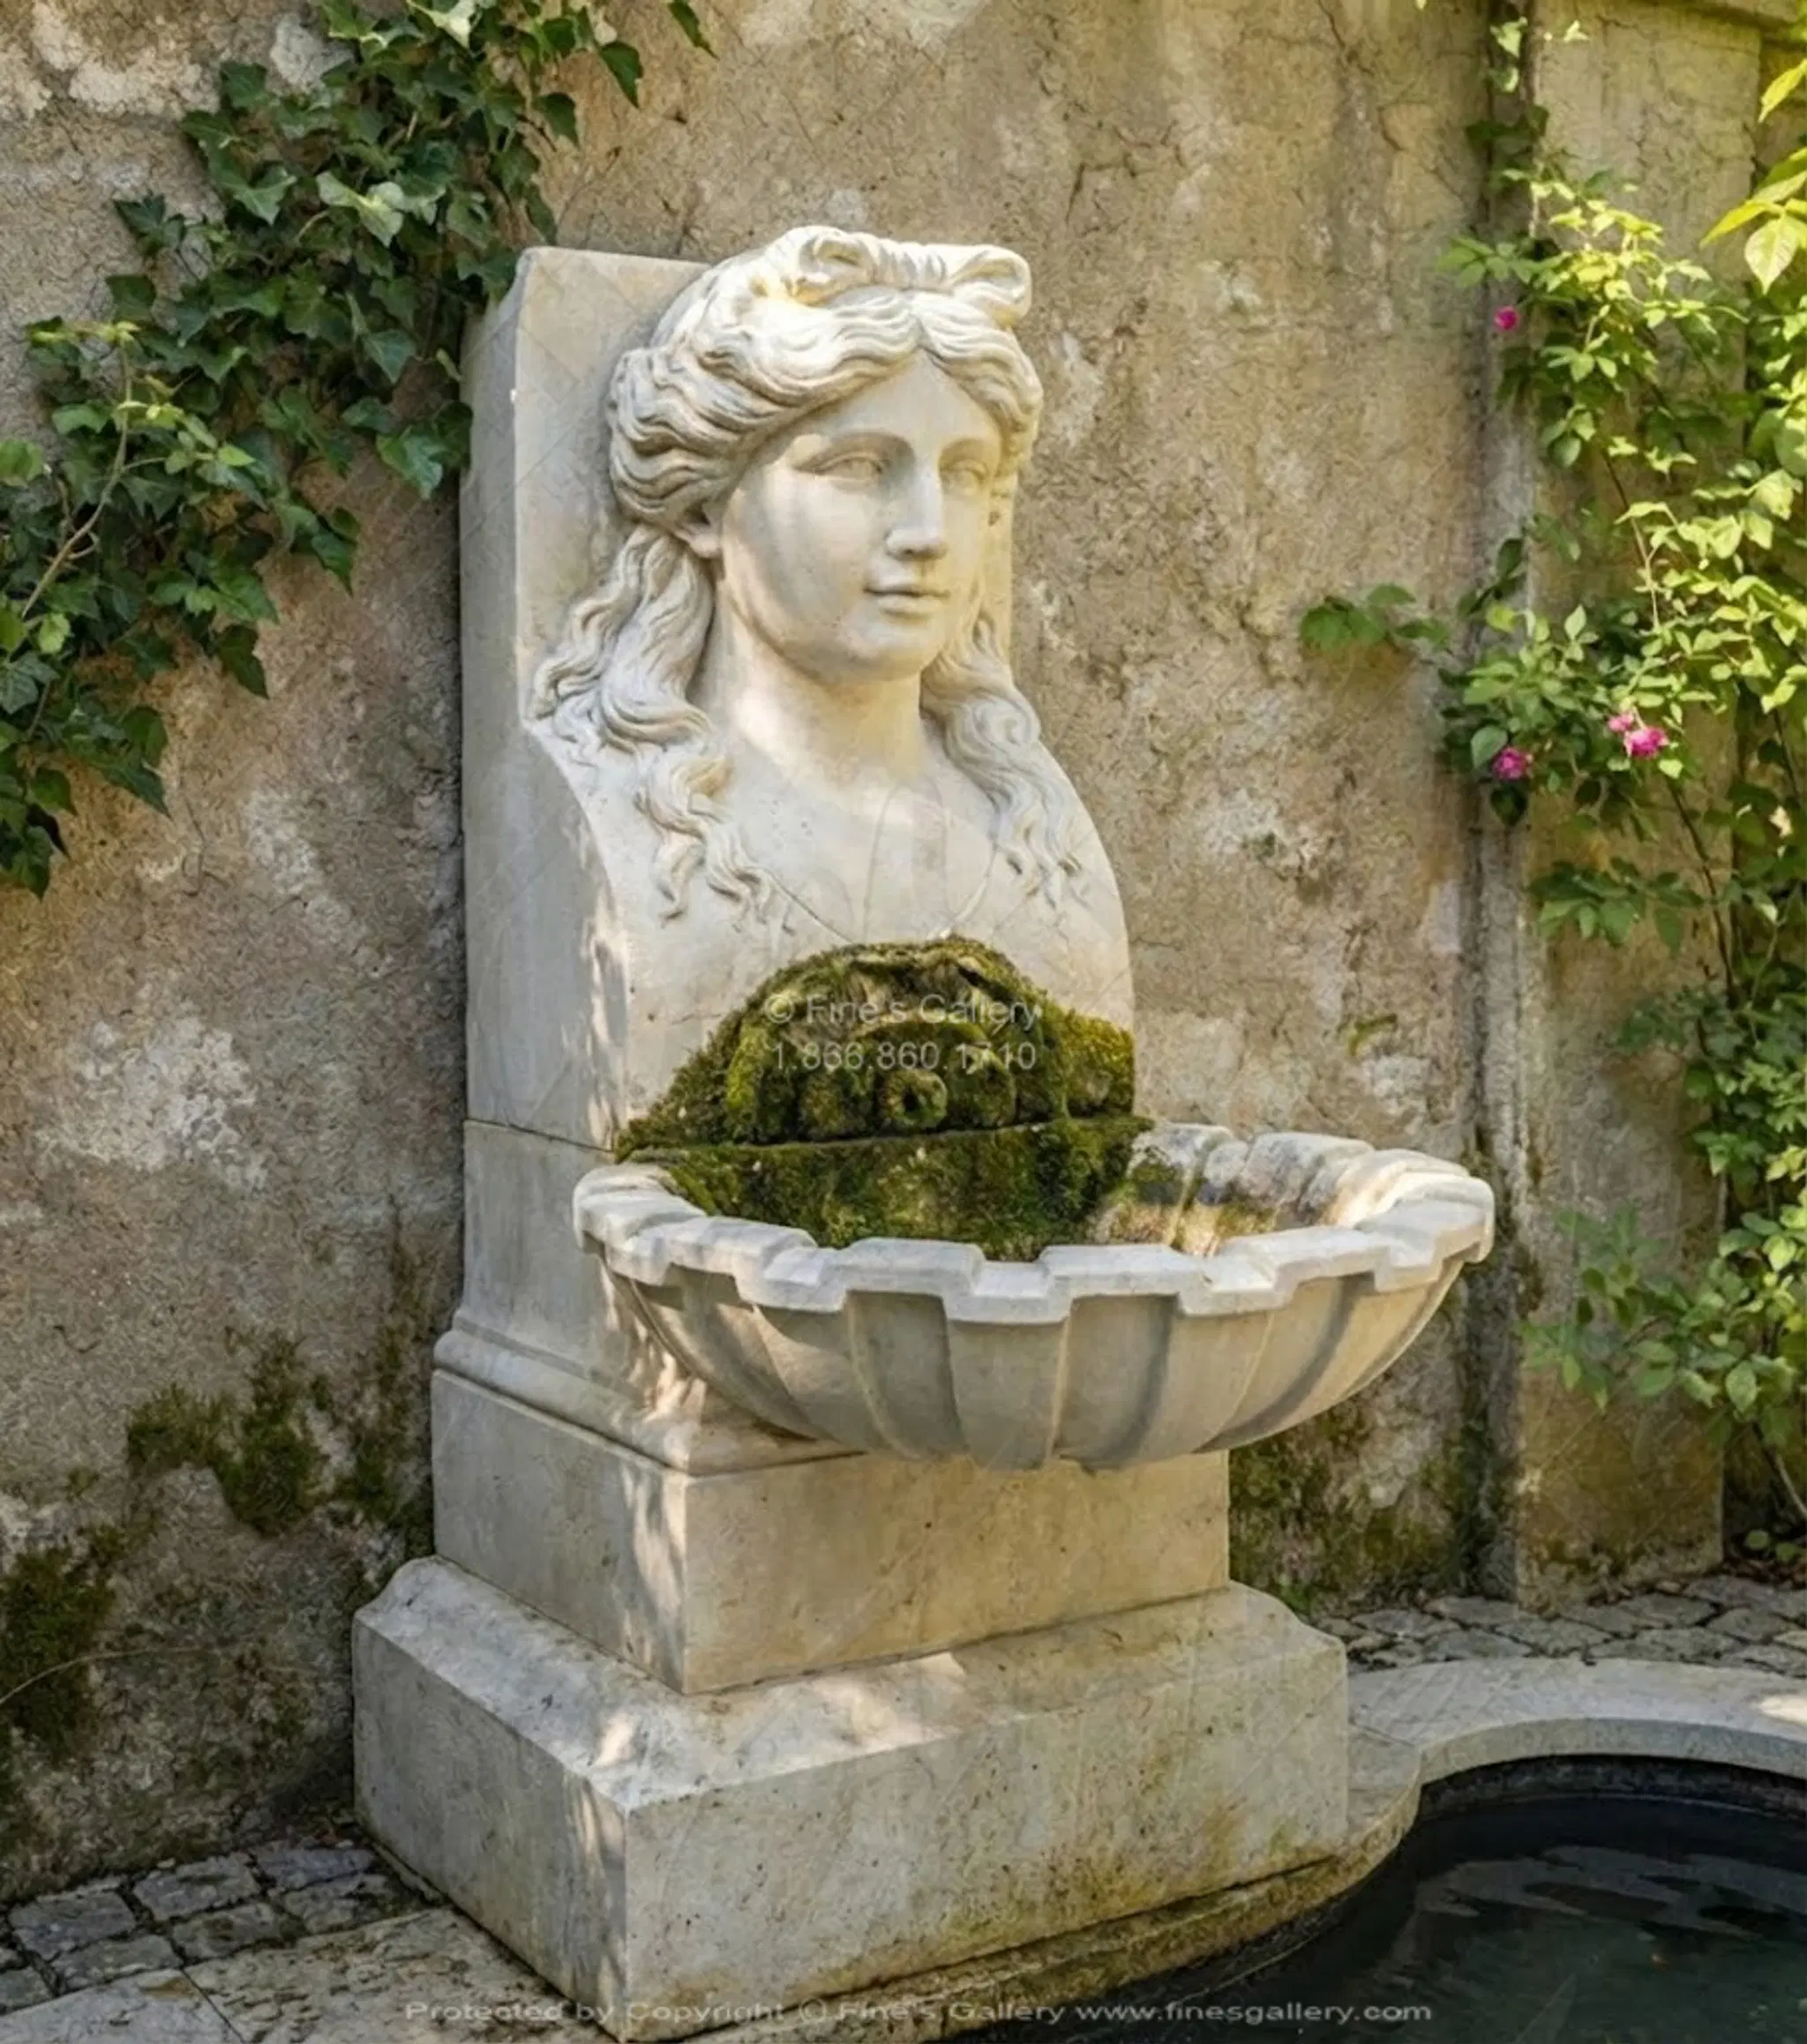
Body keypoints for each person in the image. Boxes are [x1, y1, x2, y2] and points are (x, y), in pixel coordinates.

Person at [531, 225, 1132, 1058]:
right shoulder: (629, 825)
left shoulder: (1029, 828)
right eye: (858, 466)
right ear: (706, 505)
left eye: (962, 474)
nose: (928, 533)